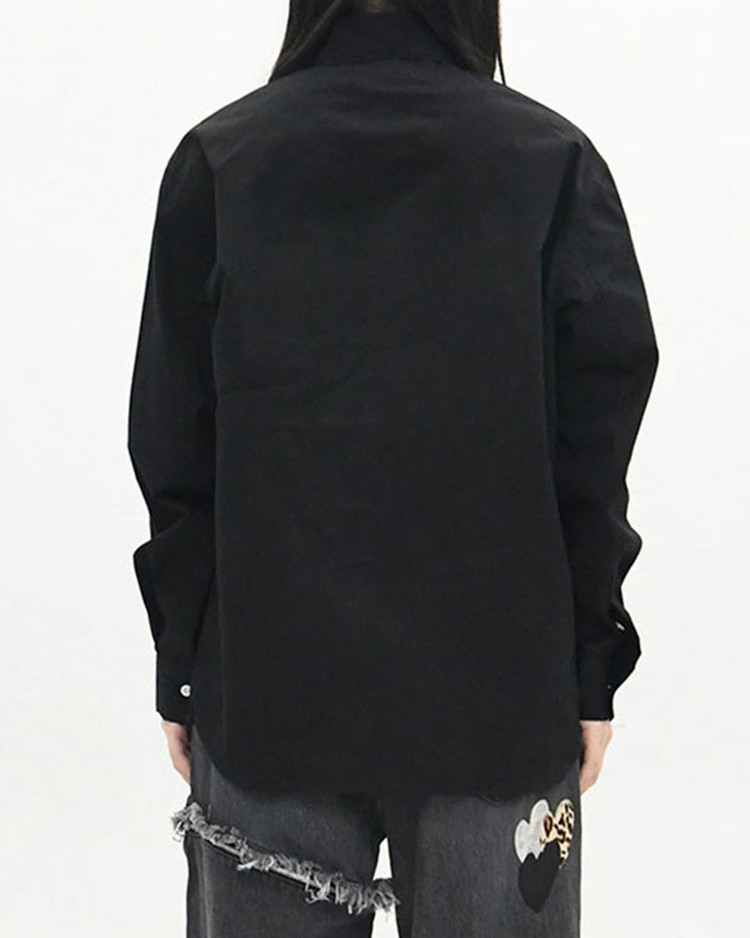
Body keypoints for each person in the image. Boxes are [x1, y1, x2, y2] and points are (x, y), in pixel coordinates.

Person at [127, 0, 659, 934]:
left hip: (268, 692)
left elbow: (175, 441)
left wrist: (184, 661)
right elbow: (593, 443)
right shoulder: (550, 162)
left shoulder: (223, 161)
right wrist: (589, 667)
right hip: (500, 700)